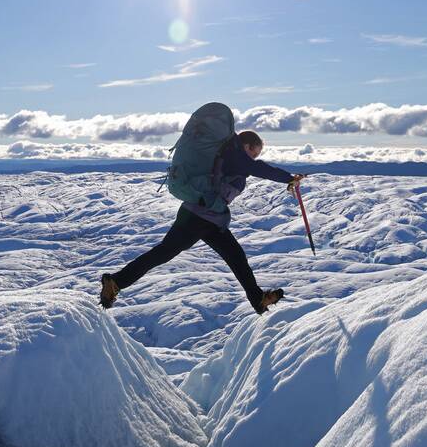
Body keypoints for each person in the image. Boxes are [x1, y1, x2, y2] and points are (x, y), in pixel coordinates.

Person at [100, 130, 304, 314]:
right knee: (165, 252)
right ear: (247, 146)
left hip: (209, 218)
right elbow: (259, 169)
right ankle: (116, 281)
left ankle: (257, 299)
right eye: (254, 152)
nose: (253, 158)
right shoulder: (236, 155)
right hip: (198, 217)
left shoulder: (229, 154)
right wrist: (288, 178)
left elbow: (252, 168)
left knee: (236, 257)